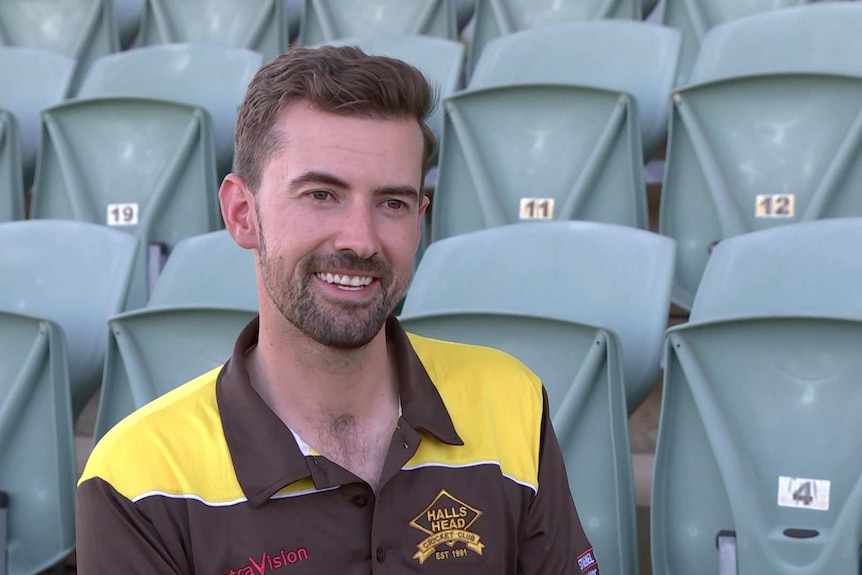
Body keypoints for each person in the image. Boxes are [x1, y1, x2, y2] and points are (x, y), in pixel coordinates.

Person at [76, 45, 599, 575]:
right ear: (242, 213)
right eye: (321, 194)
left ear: (420, 218)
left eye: (392, 203)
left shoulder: (511, 399)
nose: (361, 241)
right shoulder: (137, 476)